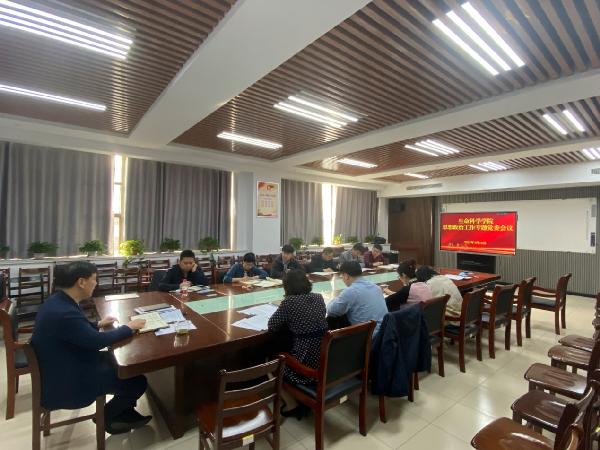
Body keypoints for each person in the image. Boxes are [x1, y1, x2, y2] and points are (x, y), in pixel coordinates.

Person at [30, 262, 150, 435]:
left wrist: (98, 324)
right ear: (81, 282)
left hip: (64, 363)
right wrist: (128, 327)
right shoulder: (64, 312)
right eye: (94, 279)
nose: (96, 283)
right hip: (70, 380)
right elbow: (97, 342)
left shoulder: (57, 301)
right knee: (137, 381)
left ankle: (124, 413)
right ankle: (107, 416)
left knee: (126, 365)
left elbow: (75, 330)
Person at [268, 269, 327, 417]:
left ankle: (292, 404)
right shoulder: (319, 297)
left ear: (287, 287)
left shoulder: (289, 302)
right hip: (323, 359)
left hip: (304, 365)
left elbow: (272, 325)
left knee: (271, 363)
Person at [326, 261, 388, 337]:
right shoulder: (376, 287)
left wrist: (335, 298)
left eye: (342, 276)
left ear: (346, 276)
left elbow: (331, 311)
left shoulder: (351, 291)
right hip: (384, 334)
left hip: (368, 338)